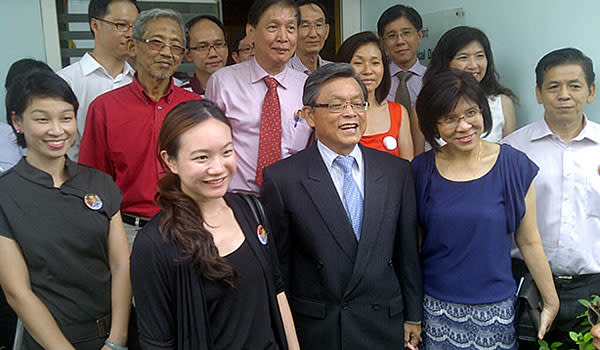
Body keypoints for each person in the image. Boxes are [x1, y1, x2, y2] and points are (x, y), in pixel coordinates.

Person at [260, 63, 423, 350]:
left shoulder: (397, 171)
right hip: (320, 326)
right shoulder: (283, 178)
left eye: (358, 103)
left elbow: (407, 250)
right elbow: (280, 267)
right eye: (336, 105)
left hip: (383, 320)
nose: (350, 113)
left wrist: (413, 314)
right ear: (310, 115)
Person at [130, 99, 299, 350]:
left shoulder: (252, 210)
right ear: (170, 161)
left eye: (227, 152)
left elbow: (277, 291)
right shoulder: (154, 244)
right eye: (201, 158)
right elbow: (157, 342)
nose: (218, 168)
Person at [412, 70, 559, 349]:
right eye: (450, 119)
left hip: (496, 311)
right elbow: (415, 245)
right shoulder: (421, 171)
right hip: (435, 309)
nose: (464, 126)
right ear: (434, 124)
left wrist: (550, 300)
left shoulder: (514, 166)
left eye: (471, 113)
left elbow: (529, 240)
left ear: (483, 112)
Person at [0, 71, 131, 350]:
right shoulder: (6, 194)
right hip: (52, 341)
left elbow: (121, 265)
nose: (57, 130)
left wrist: (117, 340)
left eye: (66, 117)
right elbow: (17, 292)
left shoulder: (99, 182)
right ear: (17, 121)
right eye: (42, 119)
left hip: (115, 337)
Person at [503, 48, 600, 347]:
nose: (564, 95)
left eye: (574, 85)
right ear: (538, 93)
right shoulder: (512, 150)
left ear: (591, 91)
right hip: (524, 286)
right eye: (553, 86)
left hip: (592, 289)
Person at [79, 8, 201, 245]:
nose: (167, 52)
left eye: (176, 46)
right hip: (129, 231)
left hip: (188, 225)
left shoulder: (196, 107)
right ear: (133, 47)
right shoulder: (105, 108)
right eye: (156, 42)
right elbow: (94, 180)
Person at [205, 0, 312, 194]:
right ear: (251, 32)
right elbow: (207, 143)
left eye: (290, 28)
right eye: (273, 27)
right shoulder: (223, 82)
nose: (283, 37)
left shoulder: (307, 86)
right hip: (236, 198)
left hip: (292, 198)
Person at [413, 26, 517, 154]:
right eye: (463, 57)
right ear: (446, 62)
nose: (473, 65)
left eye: (479, 56)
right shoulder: (425, 105)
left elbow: (509, 155)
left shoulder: (503, 103)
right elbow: (418, 155)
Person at [58, 0, 139, 160]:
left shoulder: (139, 82)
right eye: (121, 25)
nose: (130, 34)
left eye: (135, 27)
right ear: (95, 25)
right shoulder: (66, 81)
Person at [336, 31, 413, 160]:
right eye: (358, 63)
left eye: (375, 63)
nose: (368, 71)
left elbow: (407, 167)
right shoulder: (332, 112)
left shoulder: (398, 112)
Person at [377, 4, 425, 111]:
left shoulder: (433, 78)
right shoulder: (377, 81)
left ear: (420, 36)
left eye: (406, 33)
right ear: (382, 42)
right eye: (391, 35)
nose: (400, 41)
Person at [182, 15, 228, 96]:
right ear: (188, 55)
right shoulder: (180, 96)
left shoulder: (244, 88)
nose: (213, 54)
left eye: (218, 44)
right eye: (203, 47)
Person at [287, 0, 330, 75]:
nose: (313, 34)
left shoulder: (334, 72)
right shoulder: (282, 72)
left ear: (326, 31)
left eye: (318, 25)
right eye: (305, 26)